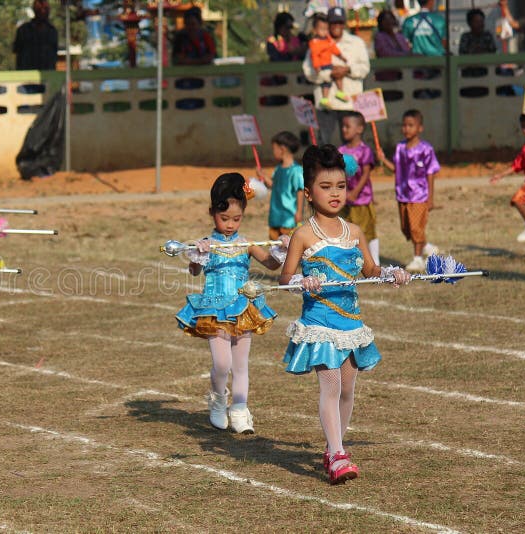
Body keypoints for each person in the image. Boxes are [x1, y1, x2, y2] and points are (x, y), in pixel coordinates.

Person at [279, 144, 410, 485]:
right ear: (309, 192)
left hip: (350, 323)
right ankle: (338, 454)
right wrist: (301, 281)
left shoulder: (354, 232)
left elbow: (369, 269)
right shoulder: (303, 235)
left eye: (340, 186)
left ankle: (331, 445)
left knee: (349, 389)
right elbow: (284, 279)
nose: (335, 194)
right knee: (331, 385)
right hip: (320, 323)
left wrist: (391, 273)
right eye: (326, 187)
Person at [175, 173, 283, 434]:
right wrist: (198, 254)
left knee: (241, 364)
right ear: (212, 212)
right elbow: (193, 272)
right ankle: (217, 399)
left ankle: (240, 409)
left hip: (243, 307)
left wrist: (283, 248)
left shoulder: (246, 243)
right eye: (224, 219)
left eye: (237, 219)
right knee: (222, 363)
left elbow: (271, 263)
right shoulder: (207, 244)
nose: (230, 225)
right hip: (214, 308)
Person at [376, 109, 441, 272]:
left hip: (419, 196)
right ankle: (425, 245)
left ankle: (418, 259)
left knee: (416, 228)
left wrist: (431, 198)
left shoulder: (426, 149)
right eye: (404, 125)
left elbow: (431, 173)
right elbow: (397, 169)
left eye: (411, 125)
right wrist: (383, 159)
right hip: (402, 194)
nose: (407, 129)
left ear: (420, 128)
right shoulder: (400, 148)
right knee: (406, 228)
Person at [302, 7, 370, 145]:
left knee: (351, 145)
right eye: (333, 23)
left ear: (344, 23)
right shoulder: (315, 44)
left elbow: (365, 68)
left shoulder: (356, 43)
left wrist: (348, 70)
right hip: (326, 103)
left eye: (340, 23)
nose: (337, 26)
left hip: (349, 103)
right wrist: (329, 74)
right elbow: (308, 72)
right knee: (324, 143)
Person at [338, 112, 379, 264]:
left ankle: (375, 261)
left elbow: (366, 174)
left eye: (347, 126)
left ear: (360, 129)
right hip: (345, 201)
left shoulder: (365, 150)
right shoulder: (340, 150)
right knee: (345, 230)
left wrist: (355, 192)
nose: (344, 129)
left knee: (367, 231)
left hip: (362, 199)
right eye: (343, 126)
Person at [490, 114, 525, 246]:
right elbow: (517, 165)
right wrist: (501, 175)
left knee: (518, 199)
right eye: (523, 127)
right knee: (518, 200)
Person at [264, 131, 304, 240]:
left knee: (288, 246)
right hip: (275, 215)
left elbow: (300, 190)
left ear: (282, 149)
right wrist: (263, 176)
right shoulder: (278, 169)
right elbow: (274, 185)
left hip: (289, 217)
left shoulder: (296, 170)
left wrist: (299, 212)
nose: (273, 152)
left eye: (274, 148)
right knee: (274, 247)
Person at [309, 13, 349, 108]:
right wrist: (317, 66)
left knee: (338, 75)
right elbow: (314, 56)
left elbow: (334, 49)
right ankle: (325, 98)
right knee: (326, 82)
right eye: (321, 29)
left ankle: (340, 91)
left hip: (329, 64)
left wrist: (340, 56)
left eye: (326, 29)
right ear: (315, 30)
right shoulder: (314, 43)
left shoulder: (328, 40)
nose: (324, 32)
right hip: (322, 66)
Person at [13, 0, 58, 71]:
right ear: (34, 10)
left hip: (48, 76)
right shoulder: (23, 30)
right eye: (39, 9)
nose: (43, 11)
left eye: (45, 9)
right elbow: (16, 51)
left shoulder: (52, 31)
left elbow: (54, 54)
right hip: (27, 75)